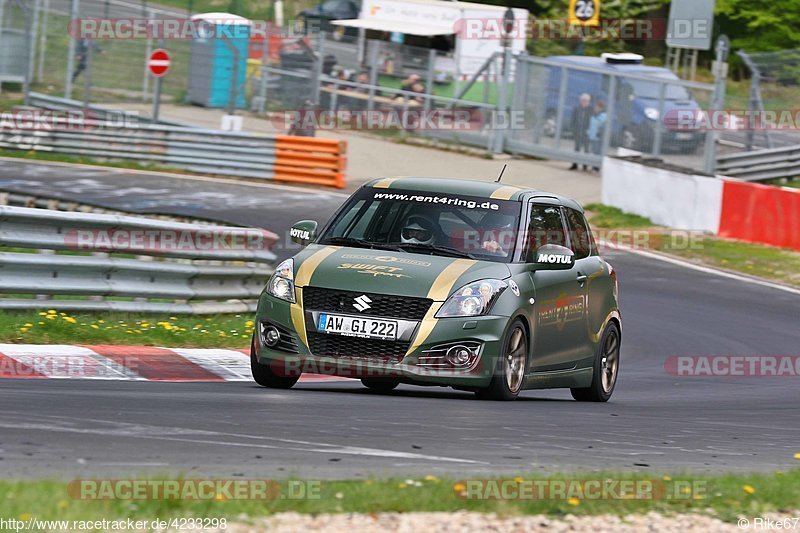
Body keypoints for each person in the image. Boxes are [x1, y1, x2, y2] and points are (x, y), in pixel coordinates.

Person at [569, 93, 592, 171]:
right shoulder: (577, 108)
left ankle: (585, 166)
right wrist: (573, 130)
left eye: (586, 101)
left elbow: (592, 122)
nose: (584, 102)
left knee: (586, 150)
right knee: (576, 149)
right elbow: (573, 120)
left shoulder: (590, 110)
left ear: (588, 101)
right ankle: (575, 164)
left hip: (586, 133)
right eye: (583, 100)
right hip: (578, 132)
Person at [587, 100, 607, 172]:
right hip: (592, 136)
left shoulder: (603, 116)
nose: (595, 108)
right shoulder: (594, 114)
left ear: (601, 108)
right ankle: (594, 166)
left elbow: (602, 125)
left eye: (597, 107)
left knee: (597, 152)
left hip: (598, 137)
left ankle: (597, 167)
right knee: (593, 151)